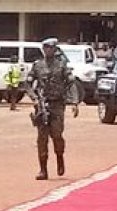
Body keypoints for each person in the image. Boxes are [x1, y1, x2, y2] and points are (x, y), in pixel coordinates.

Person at [28, 37, 79, 181]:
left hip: (57, 105)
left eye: (50, 48)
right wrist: (34, 97)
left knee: (57, 134)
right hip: (42, 105)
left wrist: (74, 102)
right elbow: (27, 83)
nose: (47, 50)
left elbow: (71, 83)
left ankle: (60, 157)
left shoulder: (62, 65)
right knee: (41, 139)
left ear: (55, 49)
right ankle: (43, 170)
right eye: (45, 48)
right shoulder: (37, 65)